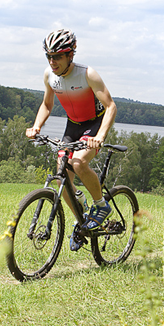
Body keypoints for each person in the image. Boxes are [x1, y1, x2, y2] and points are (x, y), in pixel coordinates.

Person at [25, 28, 117, 251]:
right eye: (48, 56)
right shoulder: (49, 75)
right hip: (72, 126)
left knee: (78, 162)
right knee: (61, 177)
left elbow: (111, 106)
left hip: (93, 125)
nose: (52, 61)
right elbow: (47, 105)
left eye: (57, 56)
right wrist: (37, 125)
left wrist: (100, 136)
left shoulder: (87, 74)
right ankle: (80, 216)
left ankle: (101, 205)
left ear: (70, 56)